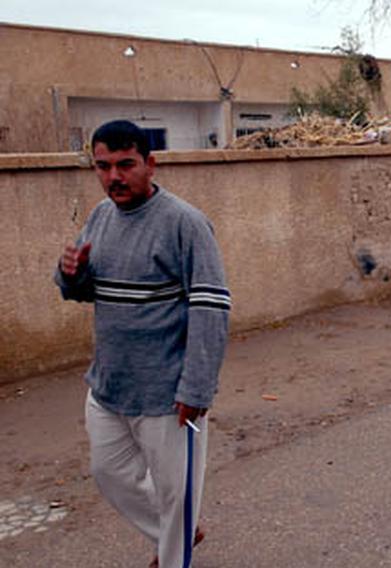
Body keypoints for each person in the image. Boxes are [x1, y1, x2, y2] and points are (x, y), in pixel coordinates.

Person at [55, 120, 230, 568]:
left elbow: (210, 308)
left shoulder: (185, 224)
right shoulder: (99, 216)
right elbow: (83, 290)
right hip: (110, 386)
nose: (114, 176)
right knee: (111, 475)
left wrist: (197, 388)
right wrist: (71, 273)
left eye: (126, 164)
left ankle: (175, 550)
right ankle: (180, 532)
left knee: (176, 493)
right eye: (103, 166)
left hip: (168, 395)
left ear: (150, 164)